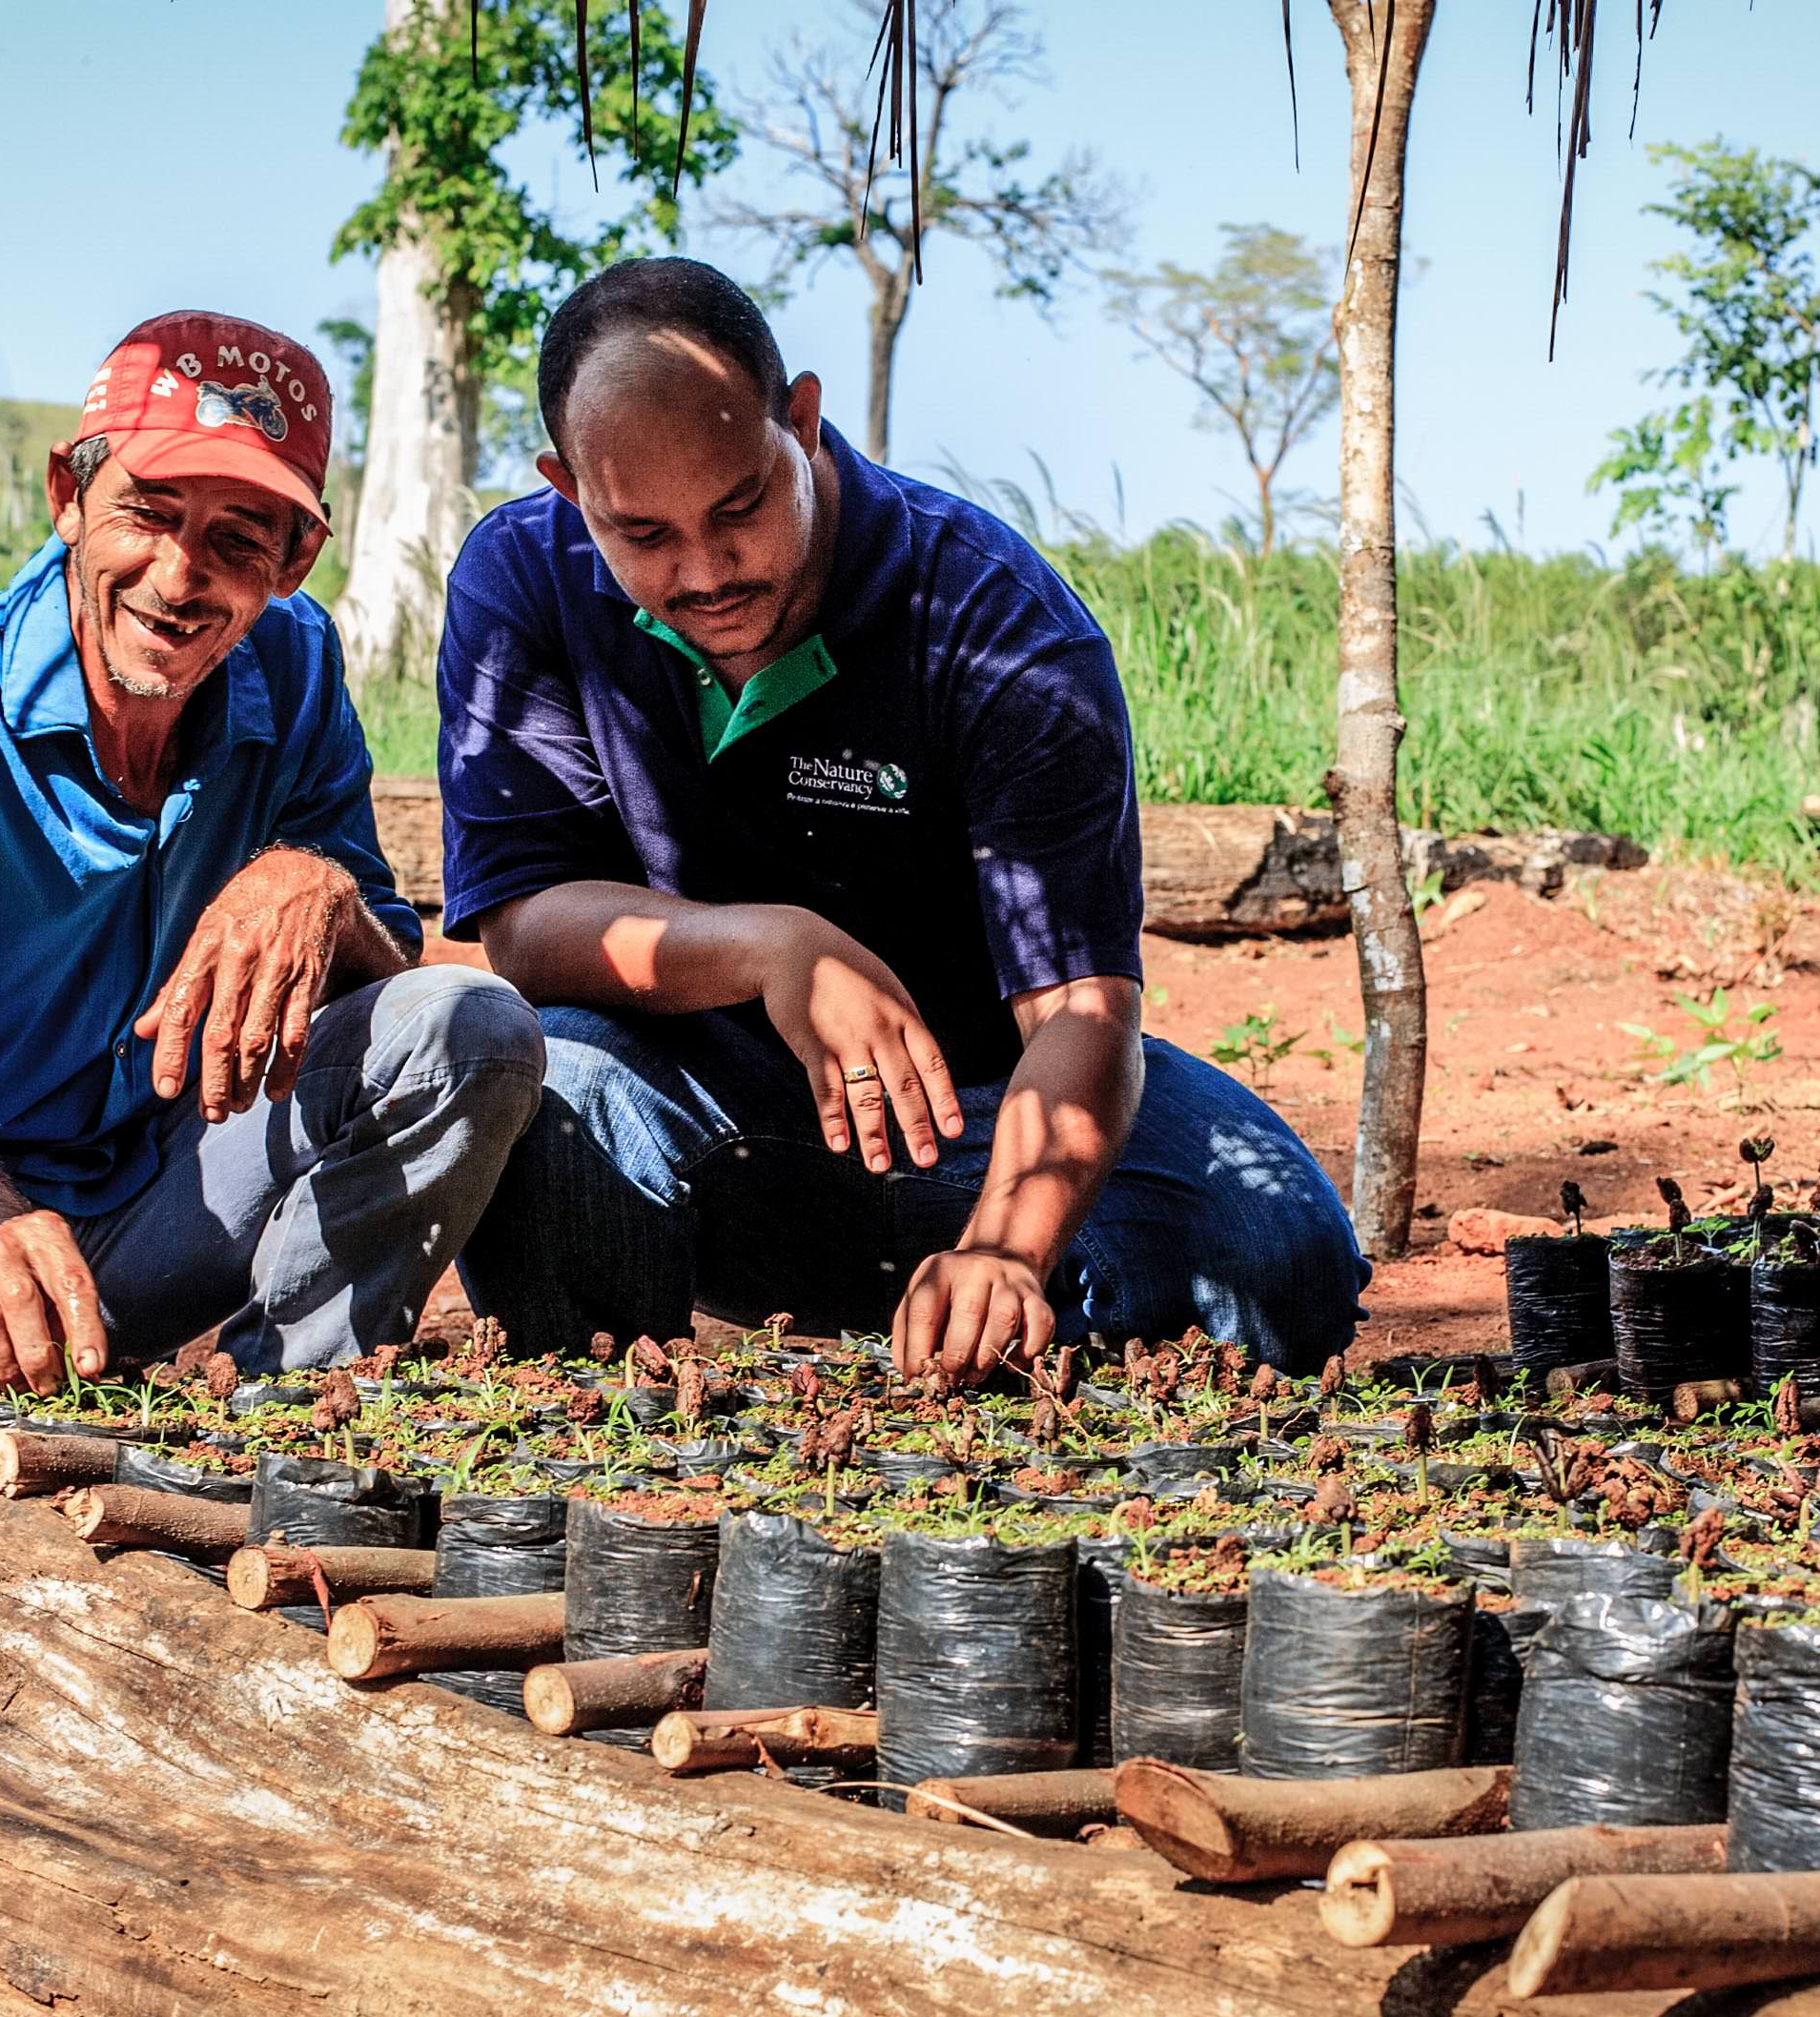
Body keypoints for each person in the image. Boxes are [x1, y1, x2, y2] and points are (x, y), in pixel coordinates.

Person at [440, 258, 1364, 1380]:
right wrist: (775, 947)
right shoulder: (519, 575)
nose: (705, 570)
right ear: (565, 486)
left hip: (986, 1103)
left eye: (740, 507)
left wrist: (1002, 1249)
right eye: (642, 535)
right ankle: (617, 1430)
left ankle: (1003, 1376)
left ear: (802, 422)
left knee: (1274, 1252)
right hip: (696, 1101)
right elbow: (526, 927)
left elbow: (1081, 1011)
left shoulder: (1000, 626)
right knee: (553, 1097)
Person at [0, 311, 545, 1476]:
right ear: (68, 497)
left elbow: (384, 985)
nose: (180, 576)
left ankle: (275, 1447)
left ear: (295, 562)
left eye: (239, 540)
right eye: (148, 514)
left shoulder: (293, 672)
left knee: (473, 1029)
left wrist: (319, 888)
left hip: (142, 1202)